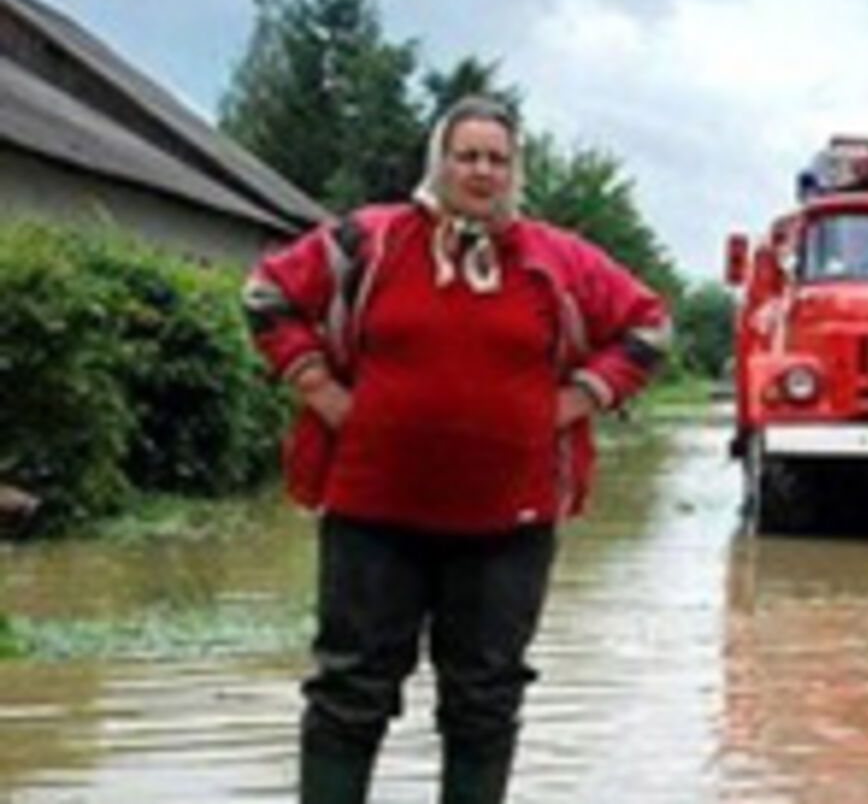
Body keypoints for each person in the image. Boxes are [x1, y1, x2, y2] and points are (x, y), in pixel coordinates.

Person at [242, 97, 670, 804]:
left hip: (509, 525)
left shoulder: (557, 258)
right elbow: (265, 295)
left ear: (515, 171)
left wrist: (581, 398)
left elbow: (648, 328)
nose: (482, 171)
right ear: (438, 161)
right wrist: (318, 386)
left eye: (497, 159)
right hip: (372, 512)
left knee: (485, 701)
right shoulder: (367, 242)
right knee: (349, 690)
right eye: (466, 155)